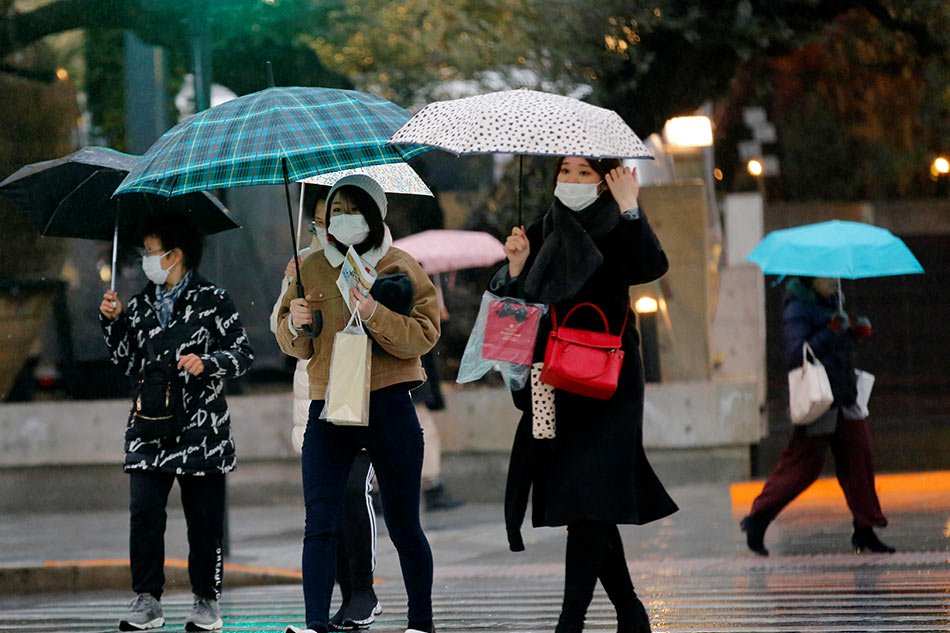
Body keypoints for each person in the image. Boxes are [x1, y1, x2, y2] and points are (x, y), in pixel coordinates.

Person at [496, 156, 678, 633]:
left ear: (603, 181)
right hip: (556, 377)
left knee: (591, 499)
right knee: (587, 501)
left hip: (611, 378)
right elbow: (514, 306)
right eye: (565, 172)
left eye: (583, 173)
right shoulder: (540, 229)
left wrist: (631, 208)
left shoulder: (618, 219)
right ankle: (631, 613)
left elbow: (650, 266)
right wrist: (515, 267)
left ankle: (569, 624)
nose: (572, 181)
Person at [275, 174, 440, 633]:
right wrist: (297, 322)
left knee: (405, 523)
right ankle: (313, 622)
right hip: (329, 406)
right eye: (336, 210)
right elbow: (293, 346)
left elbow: (425, 336)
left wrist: (372, 312)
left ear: (373, 214)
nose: (343, 219)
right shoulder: (310, 266)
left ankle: (420, 623)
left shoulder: (400, 265)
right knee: (320, 520)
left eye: (353, 209)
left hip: (388, 404)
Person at [98, 212, 254, 632]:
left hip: (201, 433)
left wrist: (208, 362)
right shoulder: (141, 303)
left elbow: (242, 355)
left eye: (151, 253)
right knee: (144, 512)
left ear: (175, 254)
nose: (146, 261)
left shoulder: (213, 299)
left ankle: (207, 600)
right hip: (149, 428)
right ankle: (147, 599)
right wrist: (113, 323)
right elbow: (129, 362)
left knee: (204, 522)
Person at [269, 189, 382, 630]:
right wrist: (292, 305)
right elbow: (288, 339)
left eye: (340, 214)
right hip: (318, 401)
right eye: (323, 217)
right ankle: (342, 602)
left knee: (355, 492)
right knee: (325, 508)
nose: (329, 225)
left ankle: (364, 590)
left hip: (371, 400)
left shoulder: (379, 260)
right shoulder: (301, 268)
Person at [740, 276, 893, 556]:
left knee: (859, 459)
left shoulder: (832, 303)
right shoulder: (797, 308)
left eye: (836, 277)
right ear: (811, 278)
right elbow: (798, 353)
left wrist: (853, 333)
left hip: (844, 394)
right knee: (802, 467)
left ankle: (865, 529)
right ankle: (757, 519)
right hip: (819, 400)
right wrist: (832, 331)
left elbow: (835, 347)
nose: (834, 282)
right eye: (827, 277)